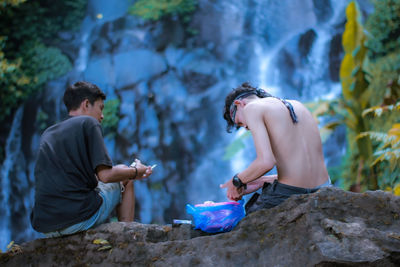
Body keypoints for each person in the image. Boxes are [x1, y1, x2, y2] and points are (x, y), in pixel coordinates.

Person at [31, 81, 153, 237]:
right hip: (76, 219)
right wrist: (136, 171)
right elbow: (106, 176)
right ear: (86, 104)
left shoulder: (49, 132)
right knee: (127, 179)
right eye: (101, 108)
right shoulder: (89, 123)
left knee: (118, 174)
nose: (102, 116)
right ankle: (126, 237)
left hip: (46, 226)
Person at [220, 82, 331, 213]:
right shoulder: (298, 105)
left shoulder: (252, 108)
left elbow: (266, 162)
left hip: (290, 194)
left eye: (239, 122)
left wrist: (237, 181)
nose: (246, 127)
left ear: (239, 104)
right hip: (325, 189)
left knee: (247, 220)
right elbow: (304, 172)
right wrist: (261, 181)